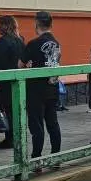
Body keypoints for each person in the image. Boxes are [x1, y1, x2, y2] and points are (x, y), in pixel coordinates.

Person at [19, 11, 62, 161]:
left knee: (37, 125)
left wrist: (29, 65)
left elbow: (20, 64)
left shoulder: (33, 43)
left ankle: (36, 156)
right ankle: (56, 155)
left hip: (35, 89)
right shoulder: (57, 43)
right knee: (53, 123)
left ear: (36, 24)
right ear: (51, 24)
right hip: (52, 87)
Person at [0, 16, 24, 149]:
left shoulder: (3, 42)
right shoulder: (19, 40)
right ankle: (17, 136)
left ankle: (10, 139)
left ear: (4, 26)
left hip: (5, 82)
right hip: (18, 80)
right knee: (16, 110)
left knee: (8, 110)